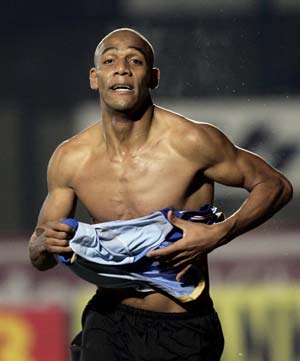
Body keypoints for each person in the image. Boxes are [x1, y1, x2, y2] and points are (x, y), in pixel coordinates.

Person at [29, 28, 293, 361]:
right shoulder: (70, 158)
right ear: (95, 78)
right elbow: (40, 253)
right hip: (108, 321)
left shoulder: (191, 142)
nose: (122, 68)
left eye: (134, 61)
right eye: (110, 60)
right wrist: (42, 244)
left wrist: (219, 233)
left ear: (152, 77)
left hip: (182, 327)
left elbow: (276, 186)